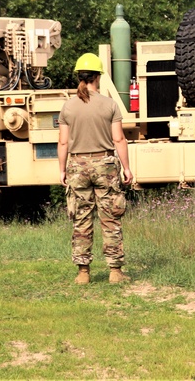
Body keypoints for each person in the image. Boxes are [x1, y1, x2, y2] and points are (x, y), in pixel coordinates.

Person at [58, 53, 133, 285]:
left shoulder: (68, 107)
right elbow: (119, 139)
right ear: (98, 77)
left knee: (81, 218)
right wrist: (127, 169)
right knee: (110, 218)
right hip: (105, 166)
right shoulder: (109, 104)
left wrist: (62, 170)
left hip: (77, 167)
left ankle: (83, 273)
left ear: (79, 76)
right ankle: (115, 271)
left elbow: (62, 143)